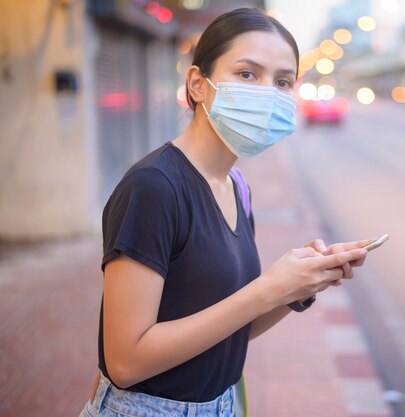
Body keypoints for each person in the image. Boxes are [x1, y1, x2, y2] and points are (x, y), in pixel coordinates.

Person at [80, 8, 370, 417]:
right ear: (198, 84)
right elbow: (125, 363)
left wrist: (298, 289)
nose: (268, 93)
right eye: (247, 74)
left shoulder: (238, 187)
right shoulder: (154, 187)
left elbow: (231, 330)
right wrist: (267, 288)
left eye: (283, 81)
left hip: (222, 404)